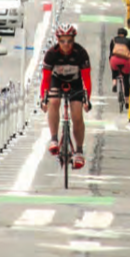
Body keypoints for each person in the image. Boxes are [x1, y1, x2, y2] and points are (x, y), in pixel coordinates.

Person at [40, 23, 92, 170]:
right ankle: (54, 139)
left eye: (69, 41)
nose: (66, 44)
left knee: (77, 115)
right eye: (62, 41)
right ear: (58, 40)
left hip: (75, 83)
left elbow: (86, 78)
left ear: (74, 40)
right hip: (56, 81)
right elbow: (45, 80)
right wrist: (43, 99)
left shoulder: (81, 53)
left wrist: (87, 99)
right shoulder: (51, 54)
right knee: (54, 100)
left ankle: (79, 151)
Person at [109, 27, 130, 100]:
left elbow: (111, 53)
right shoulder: (129, 41)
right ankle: (126, 101)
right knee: (126, 79)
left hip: (114, 60)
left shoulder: (113, 40)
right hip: (125, 61)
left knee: (114, 70)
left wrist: (110, 61)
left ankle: (114, 83)